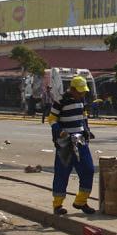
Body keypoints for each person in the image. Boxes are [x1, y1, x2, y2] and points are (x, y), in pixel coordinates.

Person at [49, 76, 96, 214]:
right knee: (62, 173)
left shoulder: (81, 100)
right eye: (80, 91)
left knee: (88, 170)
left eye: (83, 92)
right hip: (65, 144)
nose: (82, 94)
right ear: (73, 89)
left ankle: (81, 201)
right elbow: (52, 118)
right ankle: (57, 205)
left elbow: (83, 116)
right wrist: (59, 131)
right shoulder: (60, 101)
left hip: (81, 141)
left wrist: (87, 130)